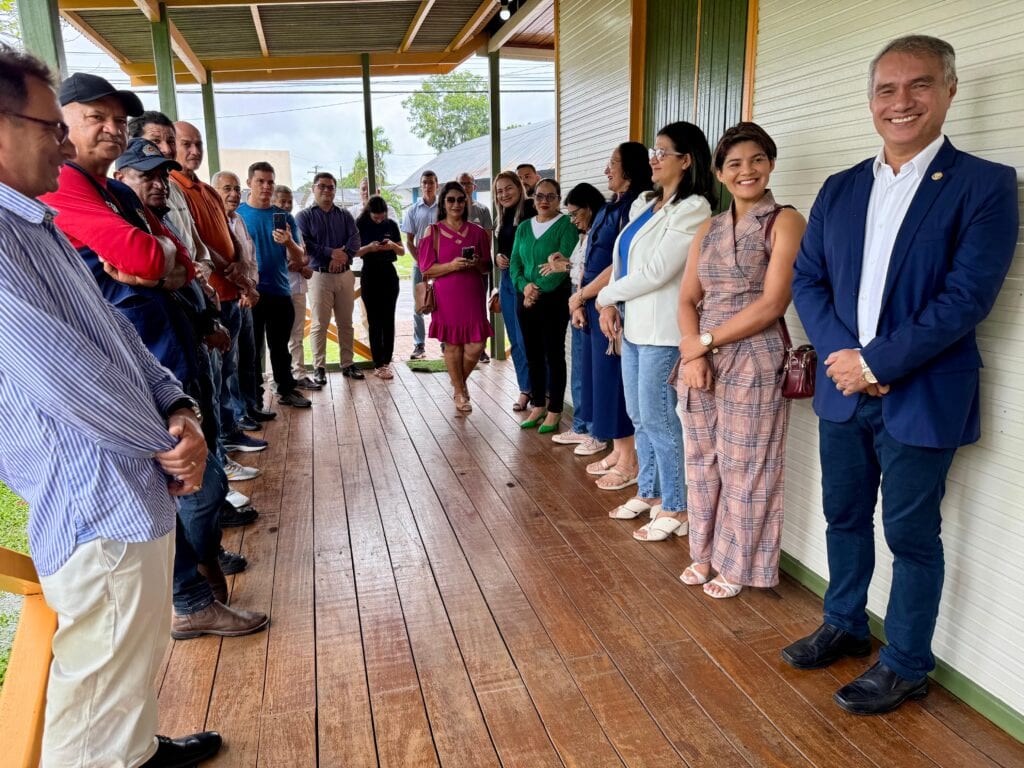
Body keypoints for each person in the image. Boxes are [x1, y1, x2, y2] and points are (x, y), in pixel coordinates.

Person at [785, 35, 1018, 715]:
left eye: (919, 85)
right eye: (886, 89)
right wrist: (845, 362)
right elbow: (809, 280)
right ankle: (845, 623)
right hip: (842, 388)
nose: (901, 101)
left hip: (921, 395)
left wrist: (877, 363)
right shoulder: (840, 187)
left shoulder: (985, 184)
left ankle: (908, 662)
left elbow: (968, 296)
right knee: (844, 516)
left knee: (911, 535)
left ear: (950, 90)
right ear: (870, 100)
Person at [0, 53, 218, 765]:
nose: (62, 144)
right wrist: (167, 438)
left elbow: (115, 334)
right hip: (98, 498)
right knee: (97, 697)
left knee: (126, 663)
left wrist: (178, 408)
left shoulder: (34, 224)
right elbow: (65, 374)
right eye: (49, 126)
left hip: (126, 480)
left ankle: (140, 750)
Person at [676, 123, 806, 599]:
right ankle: (704, 552)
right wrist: (693, 350)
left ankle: (740, 564)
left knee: (748, 464)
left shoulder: (785, 220)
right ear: (720, 174)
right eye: (734, 163)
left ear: (770, 164)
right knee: (702, 459)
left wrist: (703, 342)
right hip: (700, 355)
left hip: (754, 354)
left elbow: (774, 303)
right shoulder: (707, 228)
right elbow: (688, 297)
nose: (746, 170)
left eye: (756, 160)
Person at [596, 121, 715, 537]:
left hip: (664, 332)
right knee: (638, 416)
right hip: (633, 327)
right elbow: (624, 258)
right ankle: (650, 492)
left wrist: (606, 296)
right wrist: (613, 301)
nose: (654, 158)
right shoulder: (646, 205)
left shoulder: (694, 208)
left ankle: (678, 507)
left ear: (686, 160)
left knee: (662, 420)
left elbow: (657, 271)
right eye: (653, 149)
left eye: (663, 151)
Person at [572, 143, 650, 496]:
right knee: (599, 381)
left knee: (616, 384)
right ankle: (618, 451)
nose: (607, 170)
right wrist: (580, 298)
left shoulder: (638, 205)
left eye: (613, 164)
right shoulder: (609, 207)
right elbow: (590, 254)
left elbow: (617, 264)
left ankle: (629, 460)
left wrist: (587, 294)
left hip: (611, 305)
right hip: (594, 302)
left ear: (631, 169)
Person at [237, 161, 312, 407]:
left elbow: (300, 258)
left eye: (270, 182)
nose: (266, 187)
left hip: (280, 291)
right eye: (260, 181)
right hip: (251, 291)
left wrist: (289, 242)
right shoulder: (238, 215)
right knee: (251, 350)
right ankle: (253, 398)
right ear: (249, 184)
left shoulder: (284, 217)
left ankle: (286, 389)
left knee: (280, 347)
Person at [510, 178, 579, 433]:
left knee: (553, 354)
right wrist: (524, 286)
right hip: (525, 298)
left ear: (559, 199)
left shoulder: (566, 225)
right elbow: (516, 263)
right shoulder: (524, 227)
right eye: (540, 196)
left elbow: (562, 267)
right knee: (532, 354)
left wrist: (536, 289)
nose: (544, 201)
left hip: (553, 299)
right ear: (533, 198)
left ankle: (554, 410)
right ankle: (537, 405)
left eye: (550, 196)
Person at [417, 180, 492, 412]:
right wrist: (452, 265)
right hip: (447, 295)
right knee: (453, 345)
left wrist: (476, 262)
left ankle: (459, 383)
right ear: (443, 203)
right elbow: (426, 269)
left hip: (473, 293)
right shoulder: (434, 231)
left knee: (476, 345)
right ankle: (460, 392)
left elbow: (487, 267)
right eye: (451, 199)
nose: (456, 204)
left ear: (466, 202)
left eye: (461, 199)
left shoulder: (478, 232)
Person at [543, 182, 605, 451]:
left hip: (590, 301)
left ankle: (595, 430)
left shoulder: (599, 234)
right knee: (580, 364)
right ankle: (581, 424)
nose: (573, 219)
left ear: (589, 208)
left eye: (575, 213)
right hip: (577, 298)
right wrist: (565, 263)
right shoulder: (586, 233)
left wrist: (578, 300)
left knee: (592, 368)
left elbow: (593, 271)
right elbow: (579, 268)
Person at [214, 169, 274, 437]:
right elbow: (228, 267)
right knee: (232, 363)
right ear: (213, 192)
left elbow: (249, 260)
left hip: (248, 297)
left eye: (237, 189)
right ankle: (237, 415)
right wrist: (246, 289)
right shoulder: (214, 223)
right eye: (227, 188)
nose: (234, 194)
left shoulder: (238, 220)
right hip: (229, 299)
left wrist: (253, 288)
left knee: (250, 357)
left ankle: (251, 407)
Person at [295, 171, 364, 382]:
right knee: (319, 324)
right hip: (319, 276)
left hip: (344, 275)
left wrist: (342, 257)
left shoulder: (345, 216)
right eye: (322, 186)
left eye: (331, 187)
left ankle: (348, 364)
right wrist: (330, 253)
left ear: (335, 190)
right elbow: (305, 244)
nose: (326, 190)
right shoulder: (304, 216)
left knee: (346, 323)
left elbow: (355, 240)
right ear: (313, 189)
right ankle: (319, 367)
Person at [493, 171, 536, 410]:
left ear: (519, 187)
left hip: (525, 279)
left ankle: (544, 391)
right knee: (515, 339)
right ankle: (525, 389)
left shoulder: (530, 210)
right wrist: (498, 256)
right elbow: (503, 248)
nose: (504, 194)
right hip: (506, 279)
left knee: (527, 337)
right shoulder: (502, 215)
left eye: (508, 188)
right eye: (499, 191)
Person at [274, 184, 320, 390]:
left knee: (297, 334)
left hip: (299, 288)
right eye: (282, 201)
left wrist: (303, 265)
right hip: (279, 290)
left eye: (289, 201)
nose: (286, 205)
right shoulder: (270, 227)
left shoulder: (295, 226)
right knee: (278, 338)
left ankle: (300, 373)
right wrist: (298, 264)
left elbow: (303, 255)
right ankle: (281, 379)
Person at [355, 194, 404, 378]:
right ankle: (377, 363)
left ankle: (387, 361)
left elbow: (402, 251)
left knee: (388, 319)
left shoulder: (391, 224)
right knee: (374, 320)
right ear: (369, 213)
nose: (379, 220)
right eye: (376, 217)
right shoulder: (360, 224)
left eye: (382, 216)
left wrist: (391, 245)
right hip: (370, 273)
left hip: (388, 273)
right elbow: (354, 252)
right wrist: (370, 248)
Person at [402, 169, 438, 360]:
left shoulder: (445, 207)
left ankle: (444, 343)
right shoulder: (413, 210)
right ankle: (419, 345)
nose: (427, 186)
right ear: (421, 185)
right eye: (424, 182)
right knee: (419, 305)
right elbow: (409, 240)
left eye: (431, 182)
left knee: (443, 303)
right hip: (420, 265)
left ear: (436, 185)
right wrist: (421, 262)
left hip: (442, 264)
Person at [459, 171, 493, 363]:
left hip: (478, 268)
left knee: (479, 307)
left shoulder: (482, 210)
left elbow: (487, 239)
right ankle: (455, 346)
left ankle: (481, 349)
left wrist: (480, 261)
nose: (464, 187)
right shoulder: (452, 209)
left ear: (474, 186)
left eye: (467, 183)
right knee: (457, 307)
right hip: (457, 269)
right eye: (461, 183)